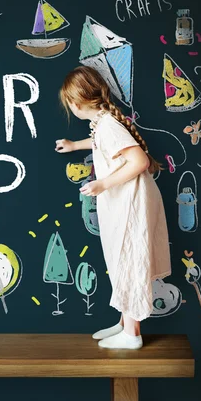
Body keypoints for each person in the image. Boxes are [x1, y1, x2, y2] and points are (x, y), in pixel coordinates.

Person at [55, 66, 171, 349]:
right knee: (123, 260)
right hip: (126, 202)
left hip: (131, 202)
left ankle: (132, 333)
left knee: (130, 260)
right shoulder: (103, 123)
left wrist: (101, 184)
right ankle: (124, 323)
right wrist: (74, 145)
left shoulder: (107, 125)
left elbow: (139, 162)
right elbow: (101, 144)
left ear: (76, 102)